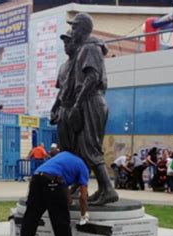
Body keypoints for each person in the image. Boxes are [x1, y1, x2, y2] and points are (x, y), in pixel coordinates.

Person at [67, 12, 118, 205]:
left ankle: (108, 189)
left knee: (91, 147)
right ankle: (103, 189)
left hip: (91, 101)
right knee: (86, 147)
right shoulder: (87, 47)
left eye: (74, 27)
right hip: (91, 100)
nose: (72, 31)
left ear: (83, 29)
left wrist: (78, 103)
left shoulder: (89, 47)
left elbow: (92, 77)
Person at [18, 151, 89, 236]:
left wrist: (69, 200)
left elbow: (64, 185)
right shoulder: (83, 166)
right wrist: (83, 215)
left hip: (36, 179)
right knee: (61, 221)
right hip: (53, 182)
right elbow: (83, 197)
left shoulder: (64, 155)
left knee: (31, 218)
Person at [50, 31, 78, 152]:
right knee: (64, 147)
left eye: (69, 42)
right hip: (63, 111)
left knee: (77, 147)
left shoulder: (80, 63)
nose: (66, 45)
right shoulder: (63, 67)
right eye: (64, 43)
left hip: (76, 110)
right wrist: (54, 108)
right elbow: (61, 91)